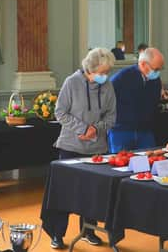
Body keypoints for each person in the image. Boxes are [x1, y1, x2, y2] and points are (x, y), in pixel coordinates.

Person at [45, 48, 116, 249]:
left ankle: (88, 231)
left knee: (92, 193)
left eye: (107, 72)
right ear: (90, 69)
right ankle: (57, 234)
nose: (105, 76)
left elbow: (111, 117)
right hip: (70, 146)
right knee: (64, 193)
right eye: (102, 72)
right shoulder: (72, 82)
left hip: (97, 148)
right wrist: (83, 128)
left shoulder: (108, 86)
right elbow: (60, 112)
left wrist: (95, 130)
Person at [108, 48, 164, 152]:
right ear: (143, 64)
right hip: (121, 131)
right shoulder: (121, 78)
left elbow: (154, 102)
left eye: (160, 69)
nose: (157, 73)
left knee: (149, 162)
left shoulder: (155, 79)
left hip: (145, 131)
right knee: (121, 164)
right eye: (155, 69)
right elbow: (107, 101)